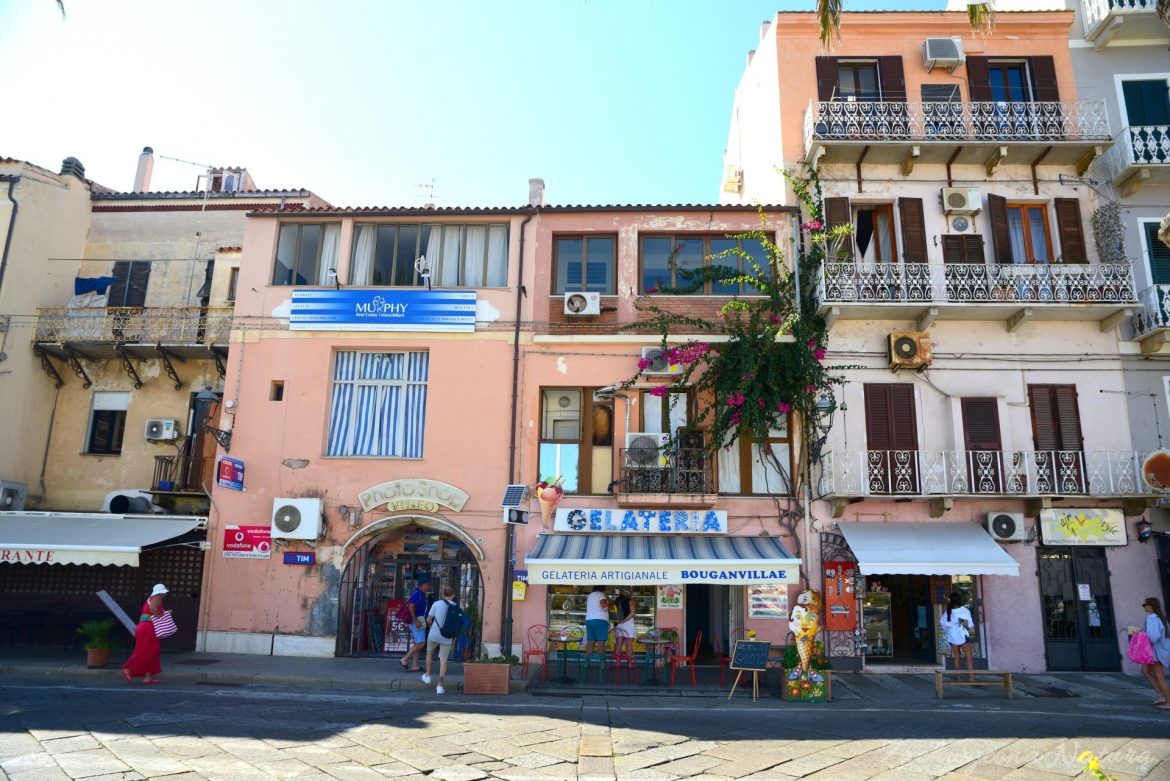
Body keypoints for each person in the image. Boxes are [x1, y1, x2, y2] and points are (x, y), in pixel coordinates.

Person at [123, 583, 168, 685]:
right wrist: (161, 617)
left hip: (144, 626)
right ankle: (128, 668)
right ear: (161, 592)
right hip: (148, 627)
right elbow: (153, 609)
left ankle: (148, 676)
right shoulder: (157, 598)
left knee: (150, 650)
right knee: (145, 650)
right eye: (165, 592)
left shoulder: (151, 598)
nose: (166, 594)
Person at [422, 584, 458, 695]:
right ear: (453, 595)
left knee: (429, 653)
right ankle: (440, 685)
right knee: (443, 660)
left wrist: (431, 625)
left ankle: (428, 675)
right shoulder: (455, 606)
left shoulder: (436, 604)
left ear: (443, 594)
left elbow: (429, 619)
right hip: (447, 637)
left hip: (434, 634)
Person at [1140, 597, 1170, 709]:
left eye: (1144, 605)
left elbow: (1153, 637)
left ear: (1150, 606)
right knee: (1145, 670)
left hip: (1155, 651)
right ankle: (1160, 695)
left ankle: (1168, 702)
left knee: (1159, 676)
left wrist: (1143, 636)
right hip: (1158, 650)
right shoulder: (1161, 618)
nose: (1143, 607)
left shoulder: (1151, 618)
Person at [939, 592, 975, 683]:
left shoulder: (948, 611)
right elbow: (970, 625)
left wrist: (951, 626)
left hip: (952, 636)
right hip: (962, 635)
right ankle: (971, 678)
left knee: (957, 657)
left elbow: (942, 623)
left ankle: (958, 678)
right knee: (969, 657)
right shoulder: (965, 610)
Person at [399, 579, 430, 672]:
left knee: (418, 643)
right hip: (417, 621)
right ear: (422, 585)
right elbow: (411, 607)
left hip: (419, 620)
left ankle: (415, 665)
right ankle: (404, 659)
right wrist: (415, 620)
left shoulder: (420, 594)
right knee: (421, 643)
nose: (429, 586)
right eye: (428, 584)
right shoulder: (417, 594)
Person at [584, 585, 609, 659]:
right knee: (601, 642)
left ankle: (587, 662)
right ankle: (601, 663)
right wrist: (609, 604)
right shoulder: (601, 594)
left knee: (590, 642)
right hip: (600, 620)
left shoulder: (590, 595)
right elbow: (604, 605)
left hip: (589, 620)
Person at [613, 590, 637, 656]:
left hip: (618, 623)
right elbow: (632, 612)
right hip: (628, 623)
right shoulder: (631, 600)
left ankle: (617, 661)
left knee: (618, 642)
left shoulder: (616, 601)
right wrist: (624, 620)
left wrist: (618, 621)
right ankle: (629, 662)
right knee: (628, 643)